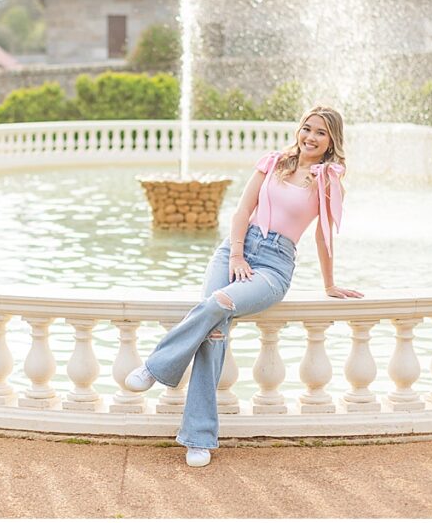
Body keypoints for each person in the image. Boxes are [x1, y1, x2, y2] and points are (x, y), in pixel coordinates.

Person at [125, 105, 364, 467]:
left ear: (332, 140)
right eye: (306, 128)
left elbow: (324, 237)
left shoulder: (328, 181)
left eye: (320, 133)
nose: (310, 137)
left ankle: (157, 367)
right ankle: (199, 439)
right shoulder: (273, 162)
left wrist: (330, 284)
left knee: (219, 303)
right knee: (214, 334)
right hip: (234, 249)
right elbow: (241, 212)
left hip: (274, 265)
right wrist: (236, 256)